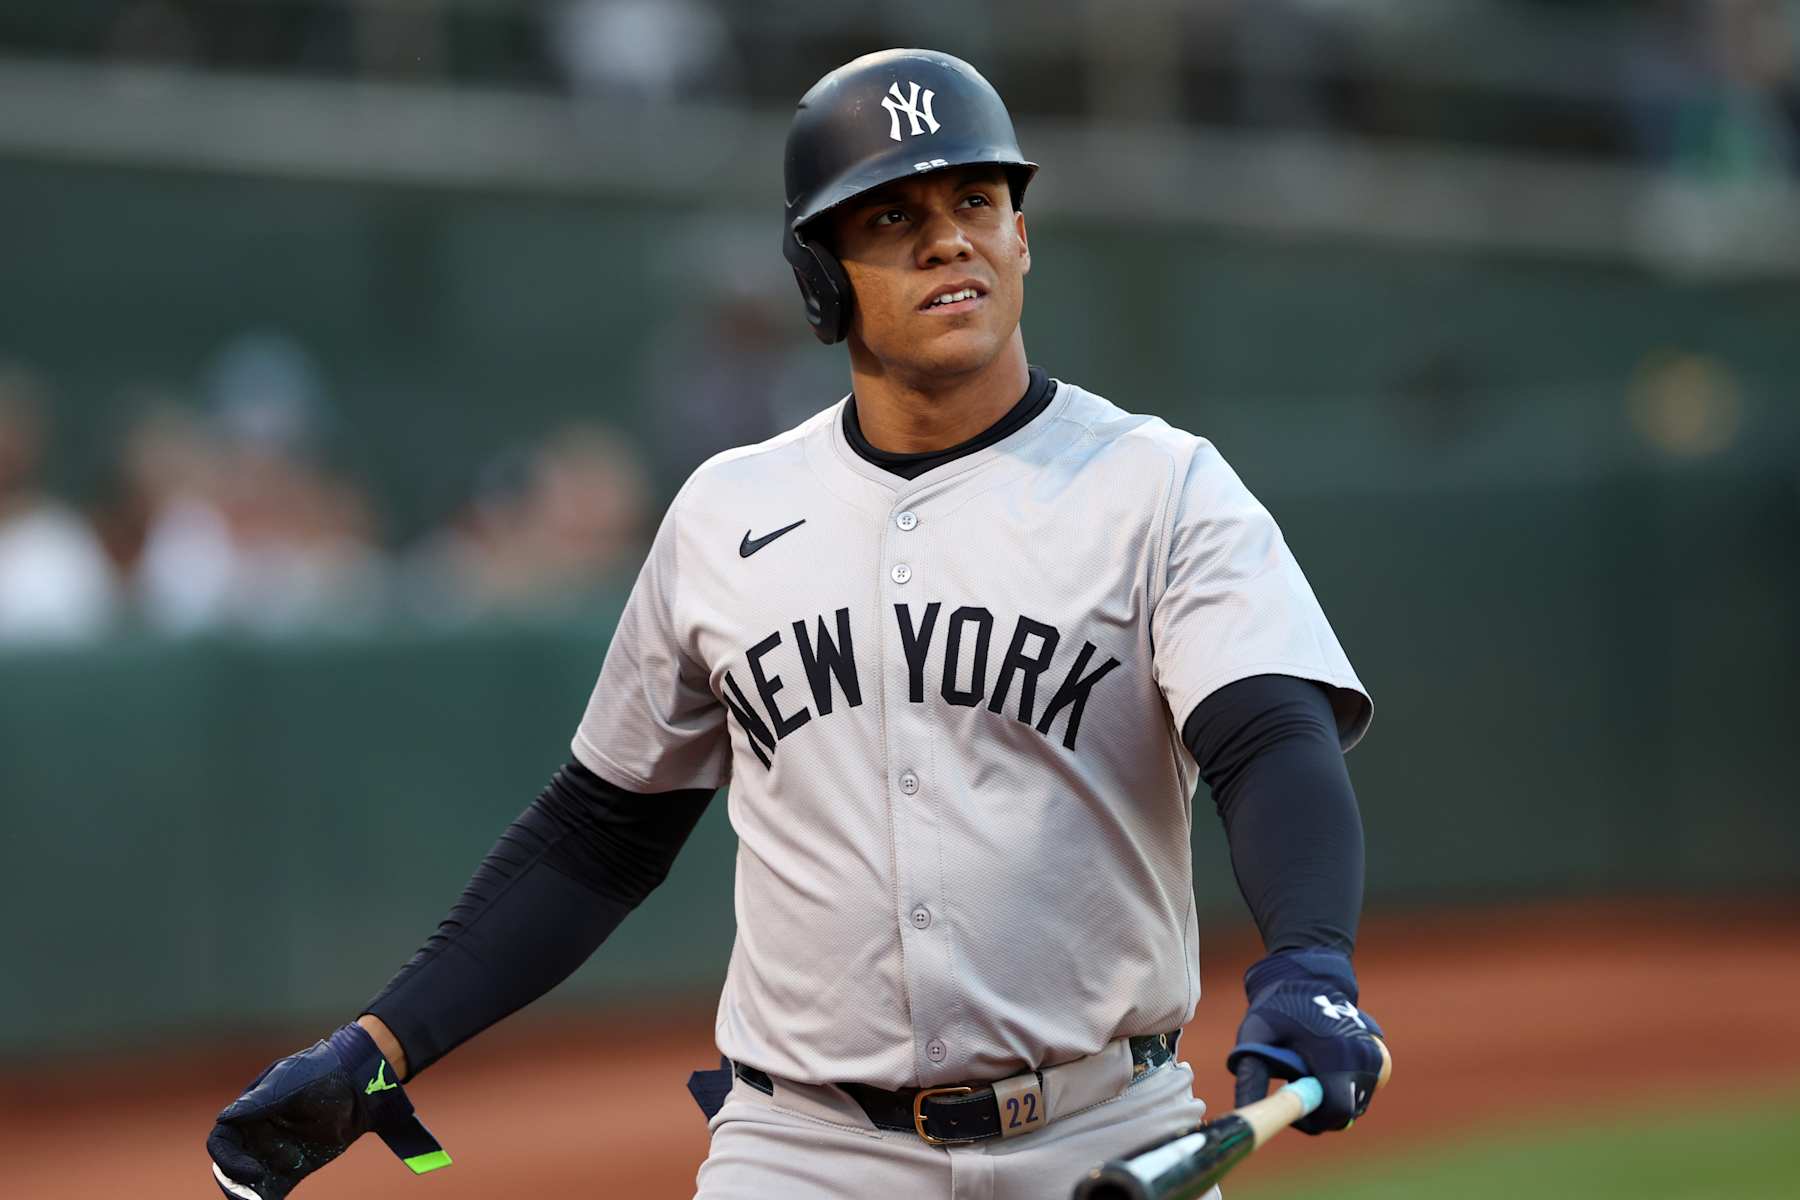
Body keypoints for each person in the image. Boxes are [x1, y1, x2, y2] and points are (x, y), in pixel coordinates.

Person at [207, 49, 1387, 1200]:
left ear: (1022, 235)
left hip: (1105, 1127)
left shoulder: (1159, 484)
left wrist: (1311, 962)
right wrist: (377, 1048)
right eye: (893, 217)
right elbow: (601, 832)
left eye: (976, 201)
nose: (948, 239)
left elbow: (1267, 740)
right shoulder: (726, 513)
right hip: (805, 1149)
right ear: (821, 276)